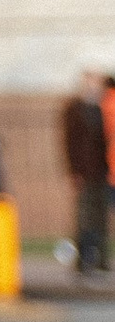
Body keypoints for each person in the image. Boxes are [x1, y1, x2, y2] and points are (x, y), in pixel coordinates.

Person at [64, 76, 110, 275]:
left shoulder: (99, 109)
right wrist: (74, 171)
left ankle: (101, 260)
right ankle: (82, 262)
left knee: (101, 218)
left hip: (101, 172)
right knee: (84, 218)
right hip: (84, 173)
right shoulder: (74, 110)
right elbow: (69, 143)